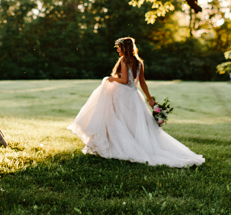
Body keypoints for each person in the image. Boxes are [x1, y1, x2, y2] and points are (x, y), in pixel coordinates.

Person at [67, 37, 205, 168]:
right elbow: (142, 82)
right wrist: (149, 99)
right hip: (134, 95)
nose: (117, 50)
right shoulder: (139, 62)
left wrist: (110, 79)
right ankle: (131, 143)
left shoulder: (124, 60)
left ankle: (121, 146)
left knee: (119, 120)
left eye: (119, 48)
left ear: (125, 48)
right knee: (131, 123)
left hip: (124, 95)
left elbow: (125, 80)